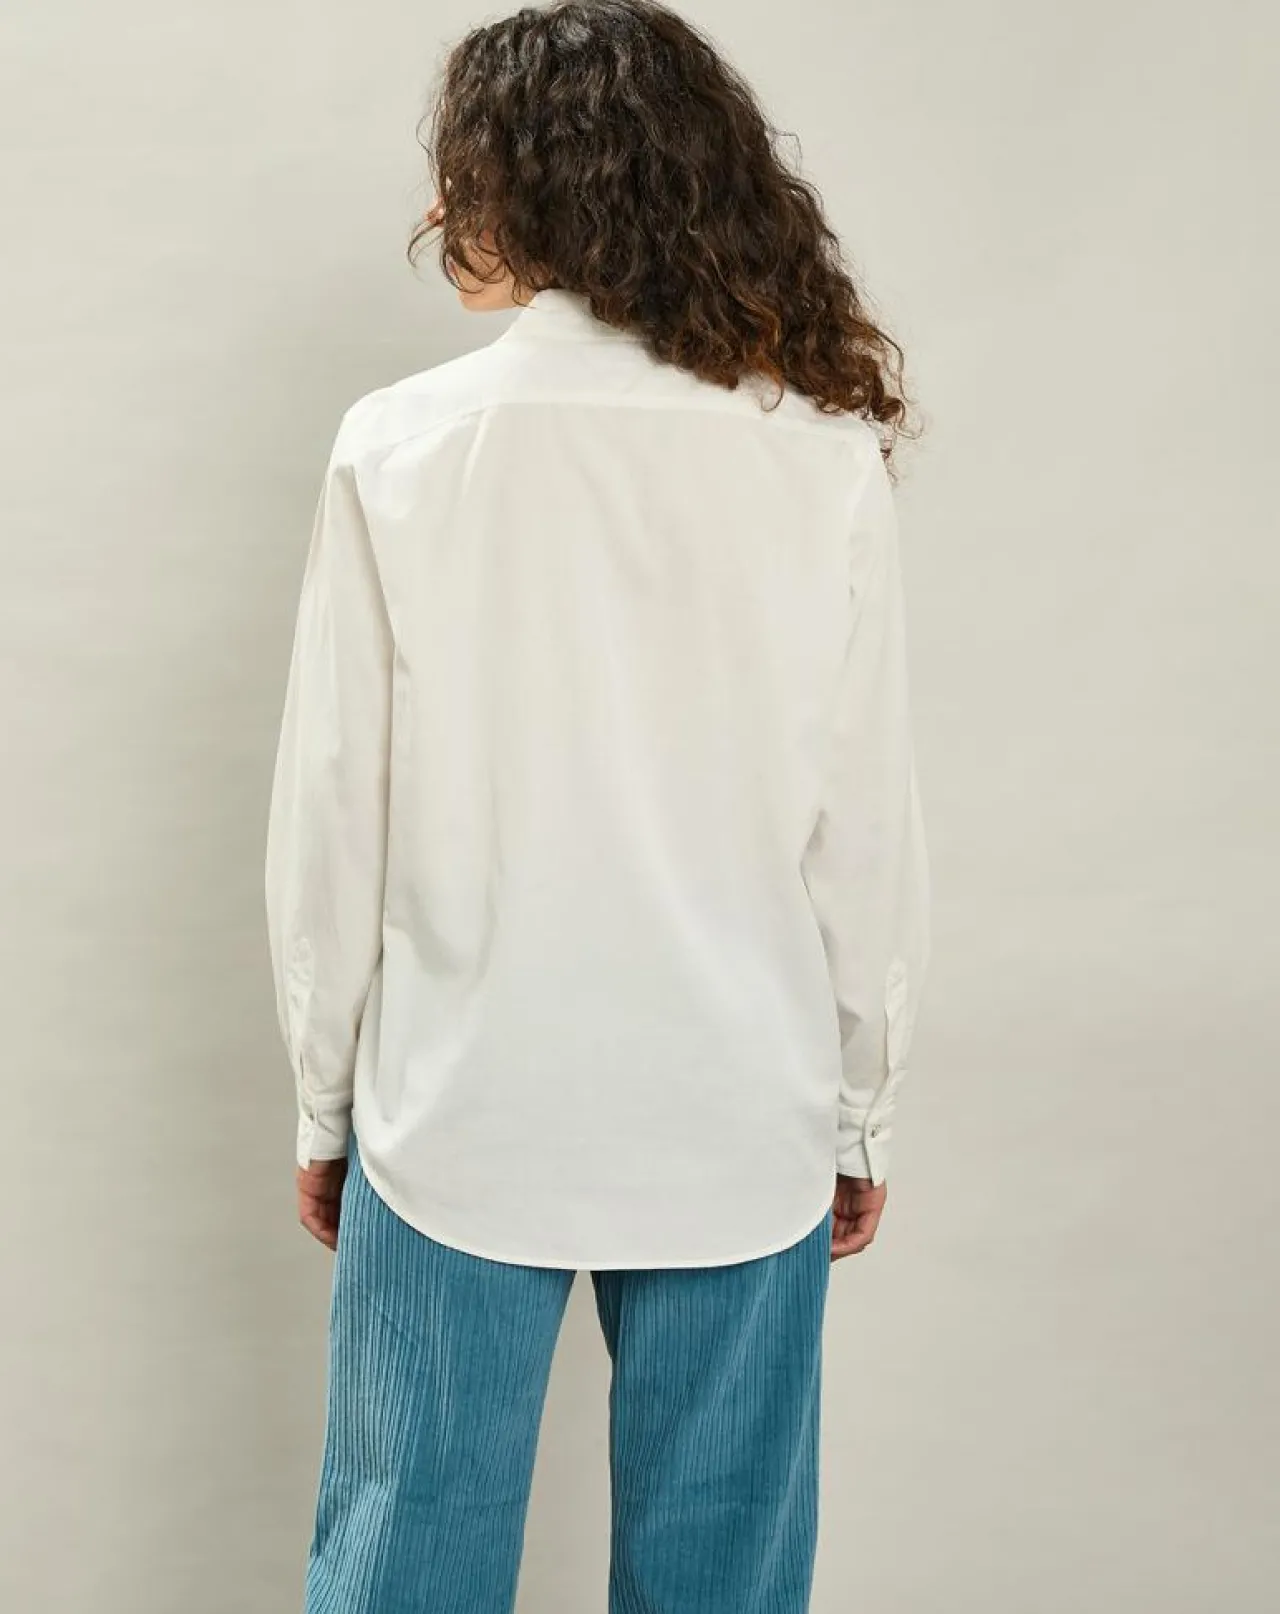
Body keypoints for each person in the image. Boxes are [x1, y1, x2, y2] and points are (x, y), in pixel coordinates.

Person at [263, 2, 931, 1609]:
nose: (439, 208)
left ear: (529, 184)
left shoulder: (403, 446)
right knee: (722, 1579)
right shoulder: (818, 450)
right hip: (739, 1107)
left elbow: (337, 805)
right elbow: (862, 820)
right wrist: (860, 1104)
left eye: (460, 170)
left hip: (458, 1105)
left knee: (402, 1562)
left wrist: (324, 1097)